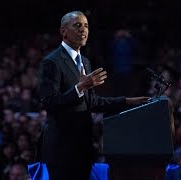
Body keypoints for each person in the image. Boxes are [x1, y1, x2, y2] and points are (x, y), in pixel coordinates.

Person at [38, 10, 148, 179]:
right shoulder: (52, 62)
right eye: (77, 25)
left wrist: (127, 101)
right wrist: (80, 87)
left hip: (83, 147)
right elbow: (50, 103)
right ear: (63, 31)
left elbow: (91, 102)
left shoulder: (85, 62)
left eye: (86, 26)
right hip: (62, 150)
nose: (83, 30)